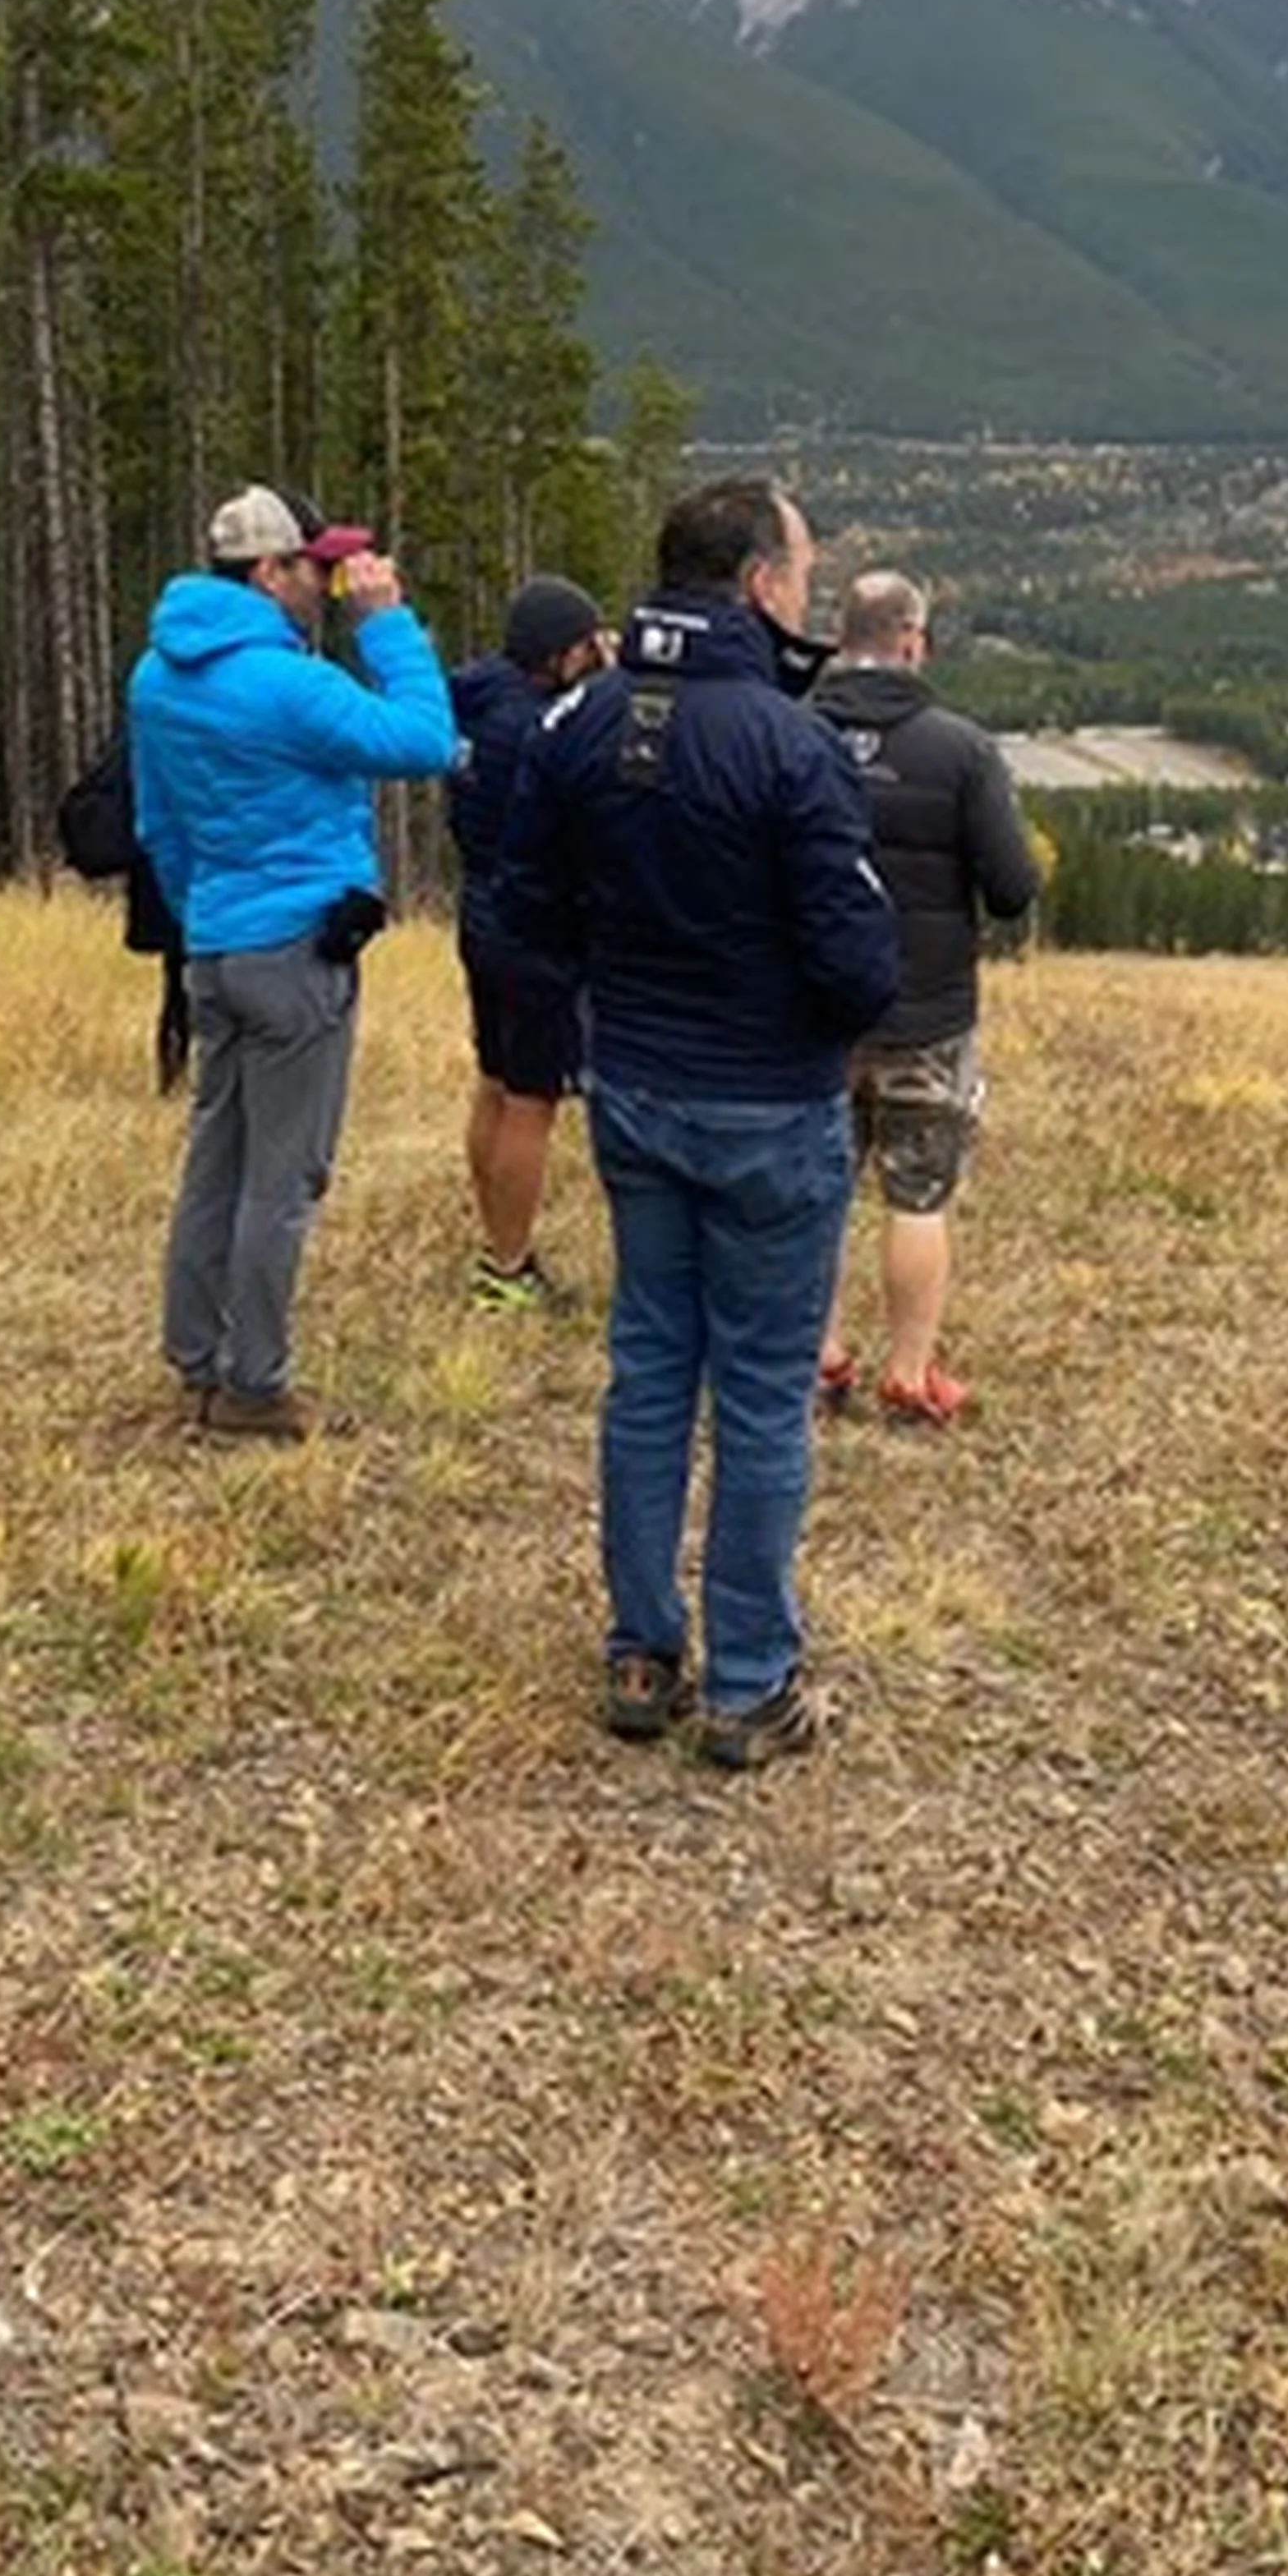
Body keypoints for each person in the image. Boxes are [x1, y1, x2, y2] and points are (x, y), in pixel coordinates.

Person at [496, 476, 900, 1769]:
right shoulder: (789, 744)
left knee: (653, 1366)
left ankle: (640, 1648)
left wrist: (608, 995)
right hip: (770, 1100)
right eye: (804, 571)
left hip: (636, 1088)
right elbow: (857, 967)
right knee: (766, 1394)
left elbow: (522, 904)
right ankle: (748, 1682)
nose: (808, 594)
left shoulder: (578, 723)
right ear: (760, 584)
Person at [129, 481, 456, 1438]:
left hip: (217, 944)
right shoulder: (288, 684)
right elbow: (426, 741)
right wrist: (387, 626)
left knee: (216, 1161)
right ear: (269, 572)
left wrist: (205, 916)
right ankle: (255, 1385)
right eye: (316, 567)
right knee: (283, 1177)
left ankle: (196, 1356)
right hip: (295, 953)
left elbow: (159, 823)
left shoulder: (156, 675)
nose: (330, 582)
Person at [812, 568, 1041, 1426]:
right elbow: (1013, 887)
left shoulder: (790, 732)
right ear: (913, 641)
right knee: (918, 1197)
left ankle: (816, 1358)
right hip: (927, 1011)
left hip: (813, 1011)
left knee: (816, 1194)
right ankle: (909, 1375)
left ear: (842, 638)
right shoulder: (962, 749)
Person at [447, 573, 611, 1310]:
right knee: (532, 1099)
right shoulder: (535, 730)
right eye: (587, 647)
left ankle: (497, 1241)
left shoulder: (479, 705)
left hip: (482, 908)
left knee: (496, 1077)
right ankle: (508, 1268)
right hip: (535, 927)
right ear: (561, 654)